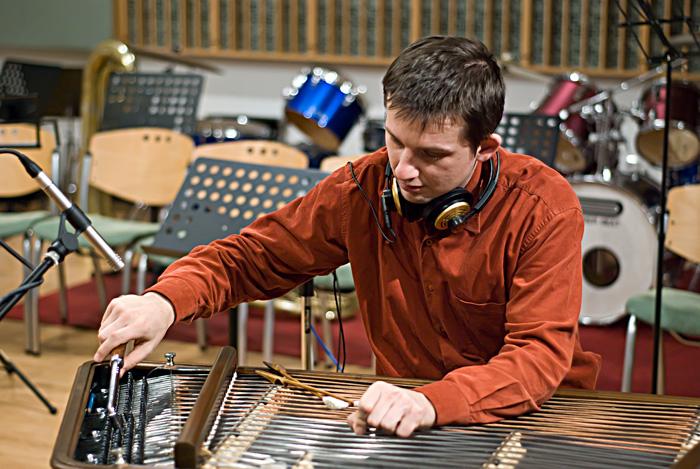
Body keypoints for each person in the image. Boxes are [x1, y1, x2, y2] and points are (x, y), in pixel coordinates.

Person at [94, 35, 601, 438]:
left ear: (485, 149)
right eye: (395, 141)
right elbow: (251, 257)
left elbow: (537, 356)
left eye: (432, 155)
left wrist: (431, 402)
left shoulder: (543, 207)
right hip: (405, 411)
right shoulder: (364, 186)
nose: (404, 170)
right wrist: (164, 301)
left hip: (534, 416)